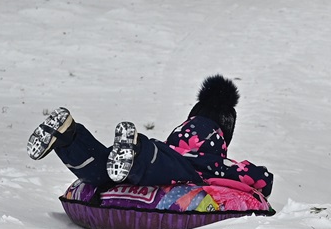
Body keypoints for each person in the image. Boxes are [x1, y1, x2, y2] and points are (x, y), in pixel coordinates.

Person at [27, 74, 274, 196]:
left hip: (150, 154)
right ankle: (135, 151)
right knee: (158, 165)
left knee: (102, 172)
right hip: (152, 158)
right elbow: (258, 177)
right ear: (221, 137)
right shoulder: (214, 164)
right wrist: (266, 180)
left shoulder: (170, 145)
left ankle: (70, 137)